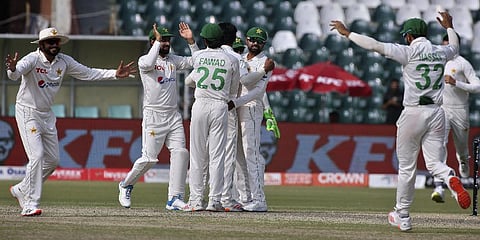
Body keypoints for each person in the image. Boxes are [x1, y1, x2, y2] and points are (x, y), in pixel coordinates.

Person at [330, 12, 471, 231]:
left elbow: (375, 45)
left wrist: (348, 34)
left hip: (413, 113)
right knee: (435, 164)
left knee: (407, 168)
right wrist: (450, 26)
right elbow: (455, 48)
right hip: (437, 112)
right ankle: (449, 177)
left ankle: (403, 215)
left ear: (408, 37)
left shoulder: (408, 51)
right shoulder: (440, 52)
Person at [6, 27, 137, 216]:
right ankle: (30, 203)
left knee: (52, 160)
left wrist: (114, 74)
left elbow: (89, 73)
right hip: (27, 112)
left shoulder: (64, 62)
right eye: (50, 42)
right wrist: (11, 68)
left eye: (56, 41)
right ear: (41, 45)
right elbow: (15, 73)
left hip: (46, 114)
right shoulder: (32, 59)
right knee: (37, 156)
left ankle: (22, 189)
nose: (54, 45)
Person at [118, 22, 198, 210]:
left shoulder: (172, 60)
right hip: (154, 116)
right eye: (162, 40)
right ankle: (125, 184)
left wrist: (191, 42)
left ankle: (174, 198)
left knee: (181, 152)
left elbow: (196, 61)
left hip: (173, 116)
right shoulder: (145, 61)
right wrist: (157, 42)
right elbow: (147, 63)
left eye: (168, 40)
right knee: (149, 158)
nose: (166, 43)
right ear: (153, 41)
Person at [184, 23, 240, 212]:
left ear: (205, 40)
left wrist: (191, 41)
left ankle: (196, 200)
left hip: (200, 105)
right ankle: (214, 201)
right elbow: (233, 91)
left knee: (198, 155)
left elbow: (190, 76)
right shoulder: (232, 60)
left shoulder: (198, 56)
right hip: (220, 106)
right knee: (217, 156)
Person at [431, 33, 480, 203]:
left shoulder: (462, 63)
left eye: (448, 43)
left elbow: (477, 86)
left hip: (459, 109)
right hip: (441, 108)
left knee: (462, 150)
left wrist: (456, 83)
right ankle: (439, 186)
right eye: (444, 43)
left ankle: (464, 168)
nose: (446, 46)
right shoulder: (438, 60)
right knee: (439, 144)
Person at [231, 27, 276, 212]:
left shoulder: (266, 62)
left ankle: (259, 200)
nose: (255, 43)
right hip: (236, 108)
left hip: (250, 109)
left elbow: (256, 90)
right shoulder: (239, 58)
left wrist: (236, 102)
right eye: (252, 40)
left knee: (252, 154)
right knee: (239, 156)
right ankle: (245, 197)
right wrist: (235, 103)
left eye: (259, 41)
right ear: (247, 40)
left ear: (264, 44)